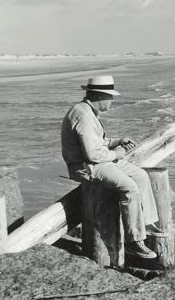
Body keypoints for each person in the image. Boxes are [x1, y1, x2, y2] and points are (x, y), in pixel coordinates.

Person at [61, 75, 161, 260]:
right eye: (110, 97)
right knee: (129, 187)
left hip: (97, 162)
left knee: (140, 176)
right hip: (87, 167)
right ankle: (134, 241)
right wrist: (117, 153)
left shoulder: (86, 111)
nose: (112, 101)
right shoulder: (84, 116)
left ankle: (146, 224)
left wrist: (116, 141)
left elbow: (95, 142)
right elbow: (92, 154)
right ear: (99, 96)